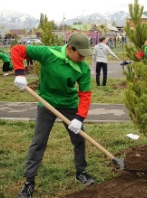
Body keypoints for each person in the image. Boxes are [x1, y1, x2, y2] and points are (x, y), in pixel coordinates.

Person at [12, 33, 95, 198]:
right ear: (70, 49)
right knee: (39, 141)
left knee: (79, 139)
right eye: (81, 53)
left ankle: (81, 172)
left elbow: (85, 94)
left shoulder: (83, 68)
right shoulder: (49, 54)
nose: (83, 57)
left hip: (70, 105)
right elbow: (17, 50)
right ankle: (29, 181)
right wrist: (20, 73)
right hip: (46, 103)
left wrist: (79, 118)